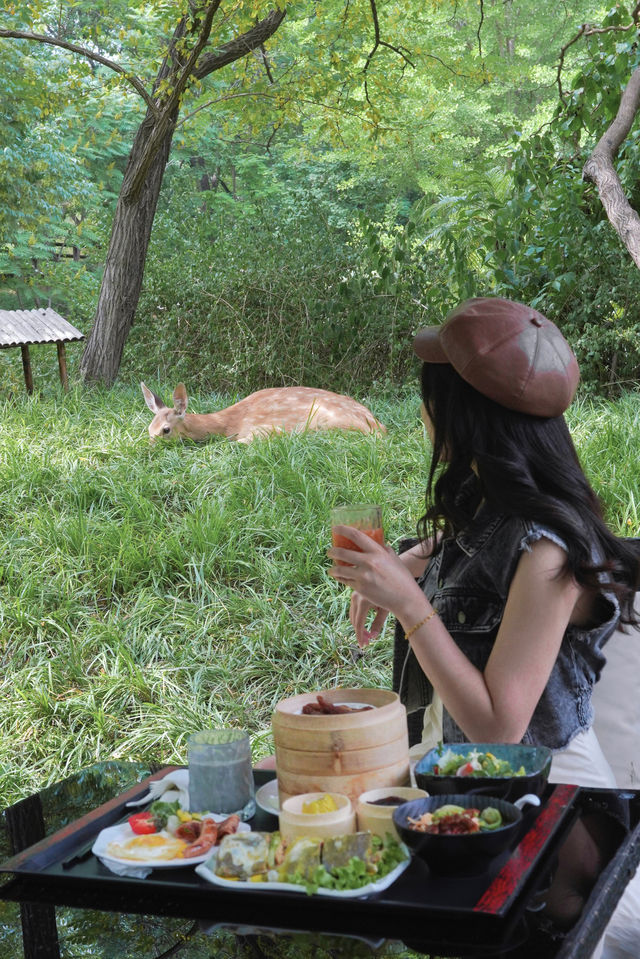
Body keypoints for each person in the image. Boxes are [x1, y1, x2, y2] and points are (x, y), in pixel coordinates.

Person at [327, 296, 640, 959]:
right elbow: (465, 551)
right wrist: (417, 557)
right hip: (474, 797)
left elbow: (503, 726)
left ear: (458, 414)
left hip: (555, 826)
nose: (421, 414)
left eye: (428, 399)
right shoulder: (484, 505)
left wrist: (410, 606)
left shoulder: (548, 547)